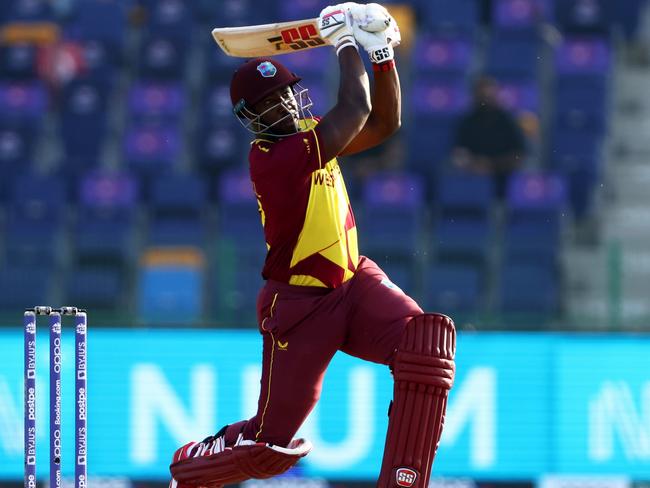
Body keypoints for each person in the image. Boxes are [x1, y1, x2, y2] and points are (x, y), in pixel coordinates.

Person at [169, 4, 456, 488]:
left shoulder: (309, 134)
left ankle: (404, 480)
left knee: (425, 349)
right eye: (269, 105)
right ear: (251, 120)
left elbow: (385, 123)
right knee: (271, 446)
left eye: (285, 95)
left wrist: (382, 53)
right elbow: (357, 109)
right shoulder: (273, 158)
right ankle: (193, 468)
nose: (283, 107)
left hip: (353, 283)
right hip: (300, 306)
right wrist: (346, 42)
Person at [452, 75, 527, 199]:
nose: (485, 99)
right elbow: (458, 154)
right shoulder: (466, 122)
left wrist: (492, 165)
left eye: (488, 95)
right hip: (474, 179)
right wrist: (474, 164)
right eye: (482, 95)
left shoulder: (507, 121)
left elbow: (519, 154)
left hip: (504, 177)